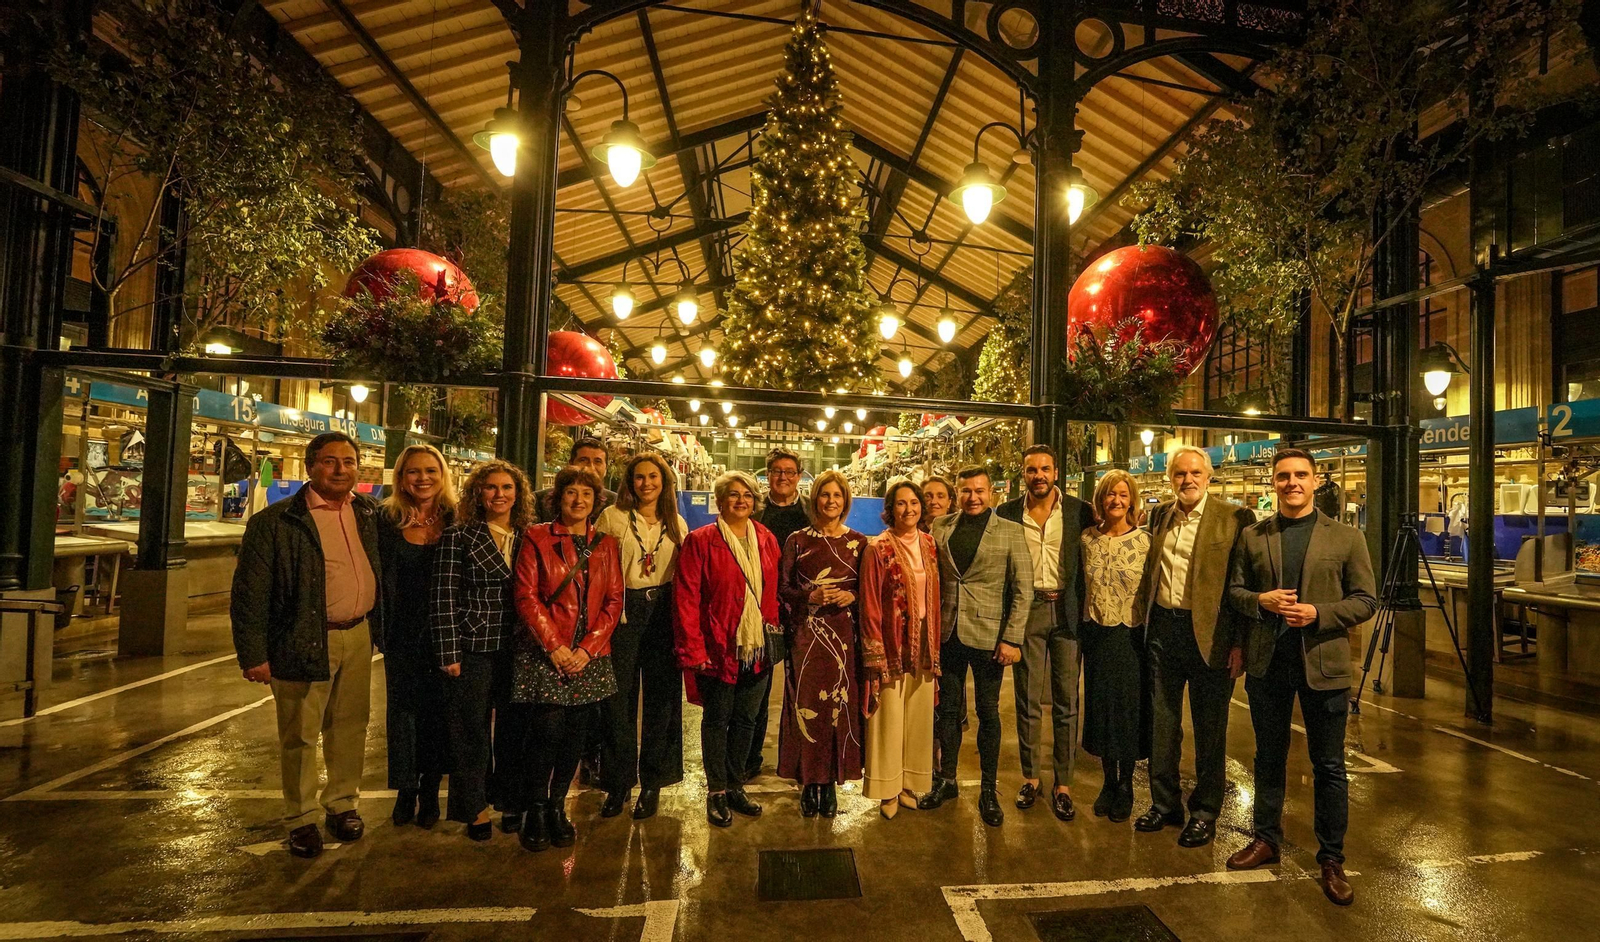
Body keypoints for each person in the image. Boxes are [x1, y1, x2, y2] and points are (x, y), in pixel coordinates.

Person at [1225, 448, 1377, 906]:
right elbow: (1234, 592)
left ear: (1314, 480)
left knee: (1328, 766)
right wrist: (1260, 601)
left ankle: (1331, 858)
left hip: (1324, 666)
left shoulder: (1346, 537)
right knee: (1268, 758)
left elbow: (1366, 600)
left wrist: (1318, 613)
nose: (1292, 483)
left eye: (1300, 475)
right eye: (1283, 476)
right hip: (1269, 663)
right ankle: (1266, 838)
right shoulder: (1253, 536)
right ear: (1273, 483)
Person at [231, 431, 383, 859]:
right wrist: (253, 654)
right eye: (330, 461)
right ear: (310, 466)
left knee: (350, 726)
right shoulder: (277, 521)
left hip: (358, 634)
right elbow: (250, 593)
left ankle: (342, 804)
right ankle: (300, 818)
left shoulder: (367, 513)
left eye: (348, 462)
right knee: (299, 733)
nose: (340, 470)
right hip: (301, 637)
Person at [1132, 444, 1257, 849]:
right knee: (1163, 726)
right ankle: (1164, 804)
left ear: (1209, 476)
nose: (1187, 480)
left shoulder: (1235, 518)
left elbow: (1242, 584)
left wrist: (1239, 643)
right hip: (1163, 632)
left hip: (1211, 636)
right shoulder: (1160, 516)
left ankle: (1204, 812)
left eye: (1194, 473)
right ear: (1171, 479)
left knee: (1210, 730)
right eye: (1180, 474)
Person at [511, 465, 622, 852]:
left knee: (576, 734)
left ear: (596, 501)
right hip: (547, 651)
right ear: (558, 498)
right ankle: (535, 807)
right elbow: (526, 595)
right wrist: (555, 646)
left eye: (587, 494)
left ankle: (557, 805)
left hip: (589, 655)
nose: (579, 500)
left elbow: (614, 601)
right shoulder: (536, 537)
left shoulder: (607, 544)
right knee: (546, 731)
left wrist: (587, 649)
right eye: (571, 492)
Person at [920, 466, 1032, 827]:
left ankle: (988, 790)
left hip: (990, 638)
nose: (973, 497)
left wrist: (1012, 638)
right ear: (957, 493)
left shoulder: (1011, 532)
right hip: (948, 633)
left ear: (991, 493)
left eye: (980, 491)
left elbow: (1023, 590)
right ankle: (948, 780)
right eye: (966, 491)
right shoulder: (941, 527)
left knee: (988, 713)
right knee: (948, 712)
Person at [432, 459, 531, 841]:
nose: (499, 494)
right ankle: (474, 807)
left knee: (513, 729)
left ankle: (511, 800)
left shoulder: (529, 536)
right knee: (470, 731)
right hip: (472, 647)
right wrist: (449, 653)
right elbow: (443, 597)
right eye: (491, 487)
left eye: (507, 488)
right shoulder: (459, 536)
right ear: (478, 493)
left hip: (519, 646)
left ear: (518, 494)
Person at [996, 445, 1096, 820]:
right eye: (1031, 469)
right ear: (1023, 474)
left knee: (1067, 701)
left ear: (1056, 472)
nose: (1038, 475)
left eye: (1045, 469)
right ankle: (1031, 777)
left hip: (1067, 613)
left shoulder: (1079, 511)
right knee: (1027, 699)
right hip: (1027, 612)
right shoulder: (1007, 513)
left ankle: (1063, 784)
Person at [675, 470, 779, 827]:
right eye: (733, 494)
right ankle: (716, 790)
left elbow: (772, 593)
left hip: (757, 648)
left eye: (747, 495)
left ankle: (736, 785)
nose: (741, 500)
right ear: (720, 501)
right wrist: (694, 649)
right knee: (717, 720)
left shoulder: (766, 538)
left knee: (747, 720)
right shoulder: (701, 540)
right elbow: (686, 597)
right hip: (717, 647)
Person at [595, 452, 687, 820]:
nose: (646, 483)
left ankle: (653, 782)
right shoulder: (612, 517)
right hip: (623, 610)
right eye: (639, 477)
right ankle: (617, 783)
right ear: (629, 482)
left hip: (663, 610)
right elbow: (597, 568)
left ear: (664, 482)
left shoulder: (676, 522)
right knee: (617, 700)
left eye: (653, 477)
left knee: (662, 699)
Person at [777, 469, 865, 817]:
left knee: (838, 708)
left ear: (846, 501)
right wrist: (810, 595)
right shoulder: (797, 540)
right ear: (815, 500)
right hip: (806, 636)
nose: (831, 501)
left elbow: (868, 589)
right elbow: (783, 590)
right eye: (825, 495)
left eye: (837, 495)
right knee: (806, 706)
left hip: (844, 638)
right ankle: (807, 781)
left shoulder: (859, 542)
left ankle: (829, 784)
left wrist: (852, 596)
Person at [377, 444, 456, 828]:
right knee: (403, 714)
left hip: (447, 633)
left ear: (442, 476)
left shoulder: (457, 518)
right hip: (402, 633)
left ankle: (430, 789)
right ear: (401, 477)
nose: (422, 478)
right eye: (414, 471)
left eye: (430, 471)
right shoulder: (386, 519)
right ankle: (405, 789)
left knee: (438, 714)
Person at [860, 479, 941, 819]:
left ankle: (909, 783)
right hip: (891, 641)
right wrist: (874, 650)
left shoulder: (929, 543)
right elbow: (869, 602)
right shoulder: (878, 548)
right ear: (890, 509)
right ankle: (887, 788)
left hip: (925, 639)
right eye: (901, 503)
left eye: (914, 502)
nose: (909, 509)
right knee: (889, 717)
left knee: (918, 716)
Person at [1079, 469, 1151, 824]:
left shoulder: (1145, 542)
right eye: (1110, 494)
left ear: (1132, 500)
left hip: (1131, 636)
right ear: (1101, 499)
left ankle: (1126, 785)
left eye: (1123, 494)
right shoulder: (1087, 539)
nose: (1116, 500)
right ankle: (1108, 781)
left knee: (1127, 711)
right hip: (1096, 634)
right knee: (1101, 709)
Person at [746, 447, 810, 783]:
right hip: (762, 608)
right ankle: (750, 758)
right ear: (768, 475)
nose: (783, 477)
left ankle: (802, 760)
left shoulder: (811, 511)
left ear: (799, 476)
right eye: (776, 471)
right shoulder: (755, 510)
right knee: (758, 686)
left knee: (803, 685)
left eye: (789, 471)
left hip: (803, 608)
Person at [533, 436, 615, 523]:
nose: (591, 467)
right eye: (583, 460)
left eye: (597, 461)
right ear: (571, 464)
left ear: (606, 468)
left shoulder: (615, 503)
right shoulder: (539, 501)